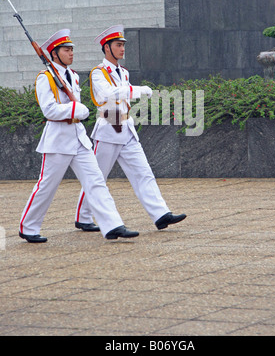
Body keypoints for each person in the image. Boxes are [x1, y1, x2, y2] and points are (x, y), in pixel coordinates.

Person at [19, 29, 139, 243]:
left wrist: (77, 111)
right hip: (58, 139)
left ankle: (113, 225)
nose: (71, 53)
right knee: (47, 186)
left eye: (72, 49)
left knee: (96, 182)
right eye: (66, 50)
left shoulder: (72, 76)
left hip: (79, 138)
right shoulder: (45, 78)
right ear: (54, 54)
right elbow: (49, 110)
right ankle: (28, 227)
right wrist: (76, 110)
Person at [75, 25, 186, 231]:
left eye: (123, 45)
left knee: (143, 172)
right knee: (97, 176)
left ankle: (160, 213)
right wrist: (137, 90)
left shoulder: (123, 72)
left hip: (126, 127)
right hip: (108, 128)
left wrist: (131, 91)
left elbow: (122, 94)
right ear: (107, 48)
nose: (122, 49)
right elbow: (109, 94)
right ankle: (83, 216)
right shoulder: (98, 73)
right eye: (118, 45)